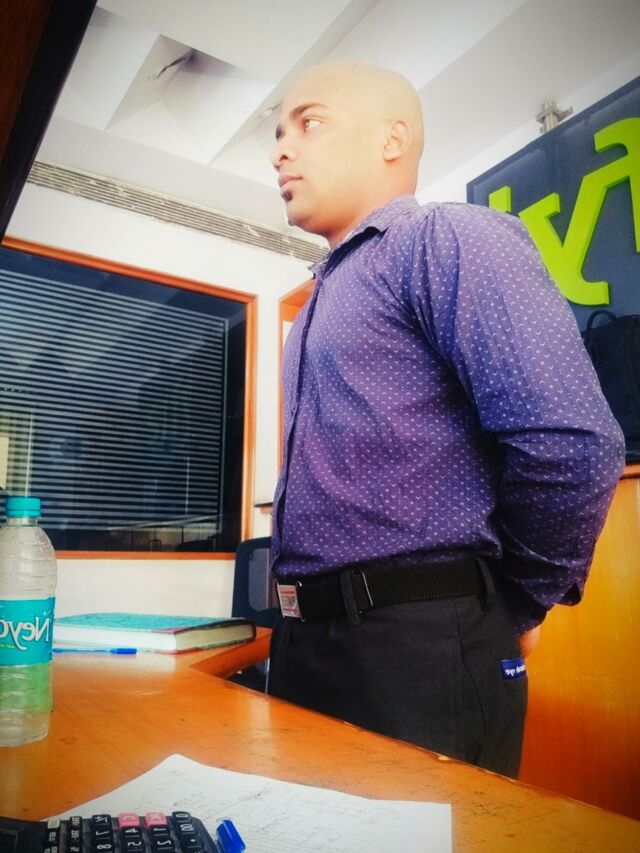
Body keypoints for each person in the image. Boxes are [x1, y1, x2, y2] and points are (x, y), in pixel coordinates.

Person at [266, 62, 625, 777]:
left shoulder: (446, 239)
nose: (280, 149)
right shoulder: (316, 303)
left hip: (418, 647)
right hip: (307, 642)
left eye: (309, 123)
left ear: (392, 140)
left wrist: (515, 603)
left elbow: (571, 444)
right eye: (277, 133)